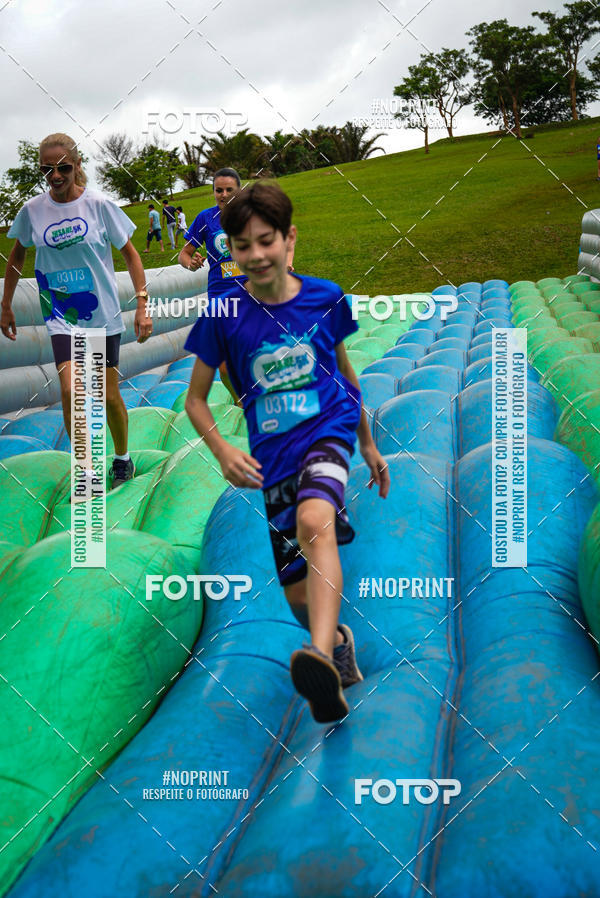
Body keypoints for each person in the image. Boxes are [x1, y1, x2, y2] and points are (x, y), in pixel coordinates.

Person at [184, 182, 390, 724]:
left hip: (327, 431)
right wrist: (222, 448)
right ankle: (335, 644)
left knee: (314, 520)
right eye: (241, 245)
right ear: (229, 249)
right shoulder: (224, 313)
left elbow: (347, 376)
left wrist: (366, 443)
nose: (254, 255)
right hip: (272, 458)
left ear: (289, 238)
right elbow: (196, 399)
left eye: (265, 241)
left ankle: (318, 658)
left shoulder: (324, 298)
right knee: (299, 599)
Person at [0, 132, 153, 492]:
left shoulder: (99, 205)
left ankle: (122, 457)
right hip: (61, 316)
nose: (55, 175)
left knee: (107, 394)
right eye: (47, 169)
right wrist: (6, 304)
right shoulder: (32, 211)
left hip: (102, 316)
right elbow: (17, 255)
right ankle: (84, 468)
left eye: (63, 167)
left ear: (77, 164)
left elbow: (130, 254)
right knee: (70, 390)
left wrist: (142, 303)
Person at [179, 168, 293, 400]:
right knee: (222, 365)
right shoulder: (205, 219)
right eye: (218, 190)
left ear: (239, 191)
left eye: (229, 190)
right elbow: (185, 253)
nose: (223, 194)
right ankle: (240, 400)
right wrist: (190, 262)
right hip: (221, 296)